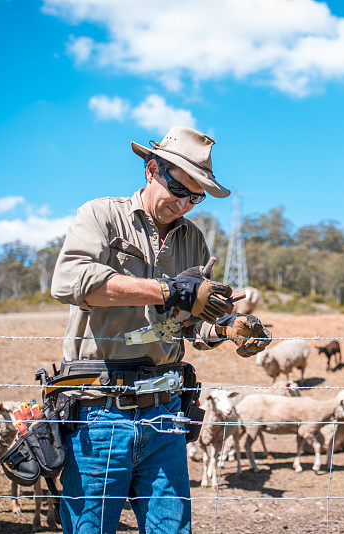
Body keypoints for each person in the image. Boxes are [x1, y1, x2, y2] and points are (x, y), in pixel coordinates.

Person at [50, 125, 271, 534]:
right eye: (179, 189)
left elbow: (184, 327)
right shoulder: (101, 215)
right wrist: (166, 289)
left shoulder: (194, 241)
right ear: (152, 169)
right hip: (100, 412)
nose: (185, 204)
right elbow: (68, 281)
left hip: (165, 414)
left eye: (196, 196)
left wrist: (228, 328)